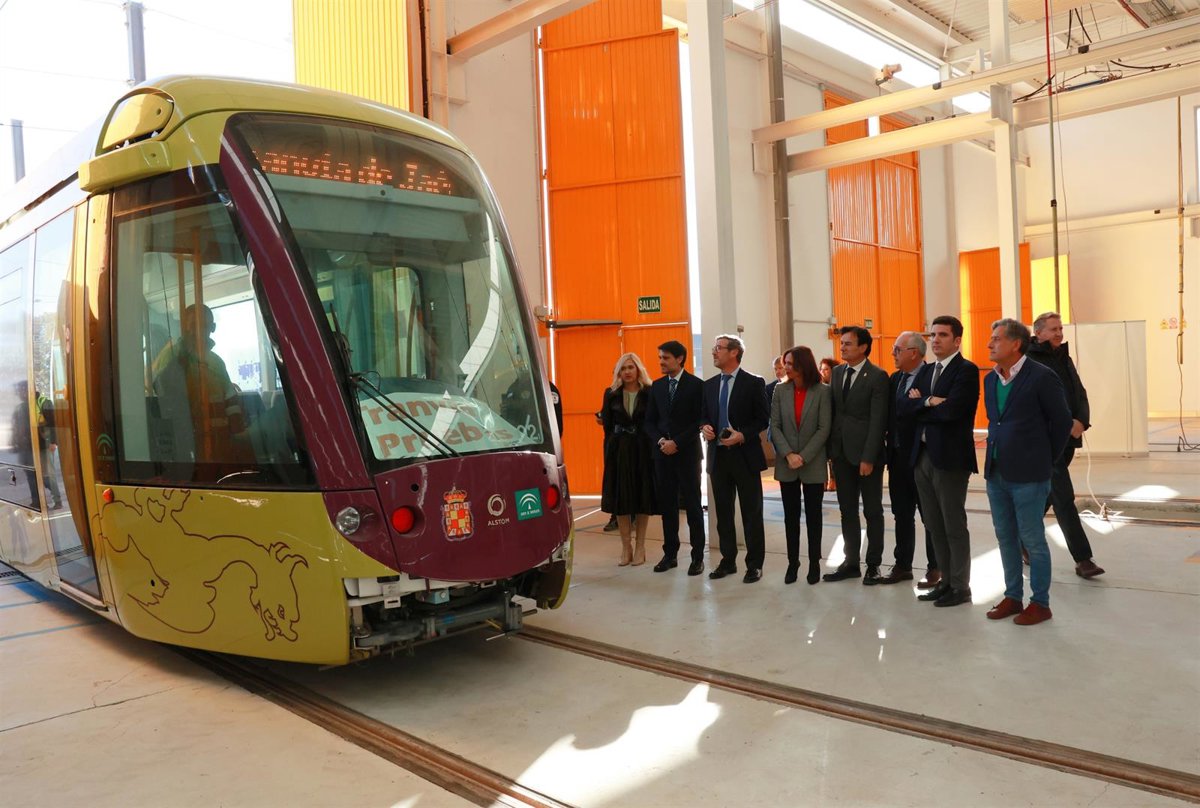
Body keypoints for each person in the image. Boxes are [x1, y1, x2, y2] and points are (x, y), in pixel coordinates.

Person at [982, 318, 1073, 626]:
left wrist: (1046, 459)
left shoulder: (1041, 376)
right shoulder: (991, 379)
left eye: (996, 339)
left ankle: (1040, 603)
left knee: (1032, 538)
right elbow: (997, 422)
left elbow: (1062, 422)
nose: (990, 344)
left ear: (1015, 344)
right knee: (1005, 537)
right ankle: (1012, 596)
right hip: (996, 472)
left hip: (1030, 474)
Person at [901, 316, 980, 608]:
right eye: (933, 334)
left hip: (950, 459)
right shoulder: (926, 371)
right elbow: (903, 406)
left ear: (957, 340)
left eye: (942, 335)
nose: (935, 340)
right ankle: (946, 581)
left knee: (952, 524)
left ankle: (960, 586)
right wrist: (928, 401)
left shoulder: (966, 370)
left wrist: (921, 404)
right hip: (922, 456)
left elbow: (953, 412)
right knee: (934, 524)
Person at [1027, 312, 1105, 578]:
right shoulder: (1029, 360)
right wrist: (1061, 424)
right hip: (1047, 441)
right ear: (1038, 333)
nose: (1059, 333)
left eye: (1060, 328)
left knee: (1050, 494)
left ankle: (1021, 537)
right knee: (1063, 497)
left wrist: (1082, 420)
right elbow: (1034, 403)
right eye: (1053, 329)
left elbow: (1079, 392)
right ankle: (1083, 559)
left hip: (1069, 437)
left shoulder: (1064, 356)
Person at [700, 334, 769, 583]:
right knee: (723, 513)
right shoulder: (708, 385)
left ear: (734, 352)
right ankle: (728, 561)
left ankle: (754, 564)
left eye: (718, 348)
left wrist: (742, 435)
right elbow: (703, 415)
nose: (714, 352)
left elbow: (763, 418)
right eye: (714, 347)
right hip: (718, 457)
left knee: (752, 513)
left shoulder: (753, 382)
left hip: (744, 456)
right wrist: (704, 427)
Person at [824, 326, 889, 584]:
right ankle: (851, 562)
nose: (842, 347)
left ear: (863, 347)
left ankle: (873, 564)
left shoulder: (877, 376)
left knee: (872, 511)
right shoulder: (837, 373)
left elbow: (878, 421)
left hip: (865, 455)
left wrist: (868, 457)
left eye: (848, 343)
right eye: (842, 343)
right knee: (847, 510)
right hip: (841, 454)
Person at [151, 303, 248, 465]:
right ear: (184, 327)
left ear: (213, 328)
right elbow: (163, 399)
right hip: (188, 450)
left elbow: (231, 403)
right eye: (193, 325)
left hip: (220, 448)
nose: (198, 331)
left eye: (204, 325)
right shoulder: (171, 356)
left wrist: (239, 443)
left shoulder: (217, 362)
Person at [770, 346, 831, 585]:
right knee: (791, 517)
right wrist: (788, 454)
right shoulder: (780, 390)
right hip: (787, 464)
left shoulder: (822, 391)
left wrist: (802, 456)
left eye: (790, 363)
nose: (785, 367)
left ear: (803, 364)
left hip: (812, 462)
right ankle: (792, 562)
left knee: (814, 517)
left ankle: (814, 562)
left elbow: (824, 428)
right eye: (784, 362)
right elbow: (774, 426)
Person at [644, 340, 706, 576]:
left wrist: (676, 442)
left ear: (680, 359)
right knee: (667, 506)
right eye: (660, 357)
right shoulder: (657, 386)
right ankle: (670, 554)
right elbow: (649, 421)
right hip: (662, 455)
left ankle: (697, 557)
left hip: (687, 453)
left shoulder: (696, 385)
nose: (661, 362)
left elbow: (699, 420)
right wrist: (661, 441)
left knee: (692, 506)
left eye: (666, 358)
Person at [879, 331, 932, 586]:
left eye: (898, 349)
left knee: (929, 515)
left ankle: (935, 567)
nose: (893, 353)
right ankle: (902, 565)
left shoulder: (931, 376)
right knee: (901, 514)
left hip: (921, 457)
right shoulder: (895, 379)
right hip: (897, 457)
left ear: (914, 353)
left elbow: (928, 411)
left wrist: (919, 403)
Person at [600, 353, 657, 566]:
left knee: (643, 498)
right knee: (621, 500)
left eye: (631, 367)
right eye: (623, 368)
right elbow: (607, 427)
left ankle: (640, 546)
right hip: (619, 450)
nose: (627, 372)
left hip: (643, 449)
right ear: (618, 372)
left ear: (638, 369)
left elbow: (654, 421)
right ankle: (626, 547)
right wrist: (610, 453)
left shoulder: (649, 392)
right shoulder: (611, 393)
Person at [819, 357, 840, 491]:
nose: (823, 372)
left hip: (835, 424)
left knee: (833, 454)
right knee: (823, 454)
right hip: (823, 424)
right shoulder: (819, 387)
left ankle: (834, 479)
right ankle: (823, 480)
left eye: (826, 369)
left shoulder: (837, 386)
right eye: (821, 369)